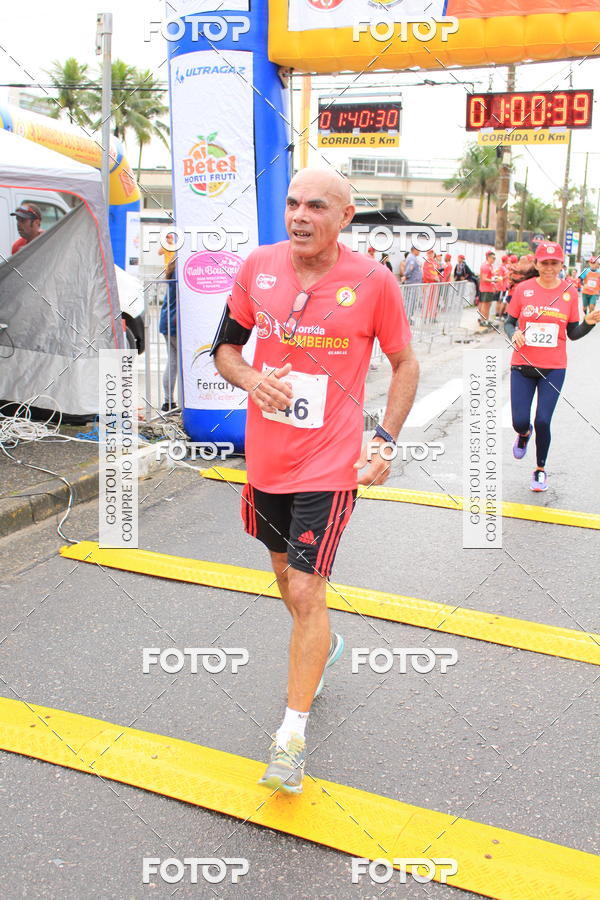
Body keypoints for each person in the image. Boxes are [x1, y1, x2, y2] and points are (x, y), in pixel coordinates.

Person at [212, 168, 418, 793]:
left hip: (329, 465)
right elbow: (224, 348)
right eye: (293, 203)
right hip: (267, 459)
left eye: (317, 206)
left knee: (306, 589)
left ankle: (291, 737)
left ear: (346, 216)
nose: (300, 215)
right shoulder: (259, 267)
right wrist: (250, 380)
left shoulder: (374, 282)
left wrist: (384, 439)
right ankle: (322, 648)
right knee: (284, 579)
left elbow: (404, 361)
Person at [504, 241, 600, 492]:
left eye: (553, 263)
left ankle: (539, 470)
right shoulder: (523, 289)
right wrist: (513, 333)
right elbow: (509, 322)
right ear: (536, 264)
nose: (548, 267)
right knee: (520, 420)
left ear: (560, 264)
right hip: (522, 366)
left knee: (543, 420)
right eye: (544, 263)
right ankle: (524, 435)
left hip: (554, 367)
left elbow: (573, 333)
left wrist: (589, 323)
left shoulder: (570, 291)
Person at [158, 233, 178, 412]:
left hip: (167, 321)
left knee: (172, 361)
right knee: (176, 362)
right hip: (174, 323)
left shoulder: (173, 266)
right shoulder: (182, 268)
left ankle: (168, 401)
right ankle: (170, 401)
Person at [478, 250, 499, 328]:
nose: (494, 260)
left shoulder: (490, 266)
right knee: (485, 305)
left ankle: (486, 319)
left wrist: (494, 277)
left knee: (488, 305)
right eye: (493, 258)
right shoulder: (485, 266)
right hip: (485, 288)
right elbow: (484, 278)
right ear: (488, 258)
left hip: (489, 288)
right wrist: (494, 280)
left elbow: (490, 275)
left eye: (495, 258)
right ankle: (483, 320)